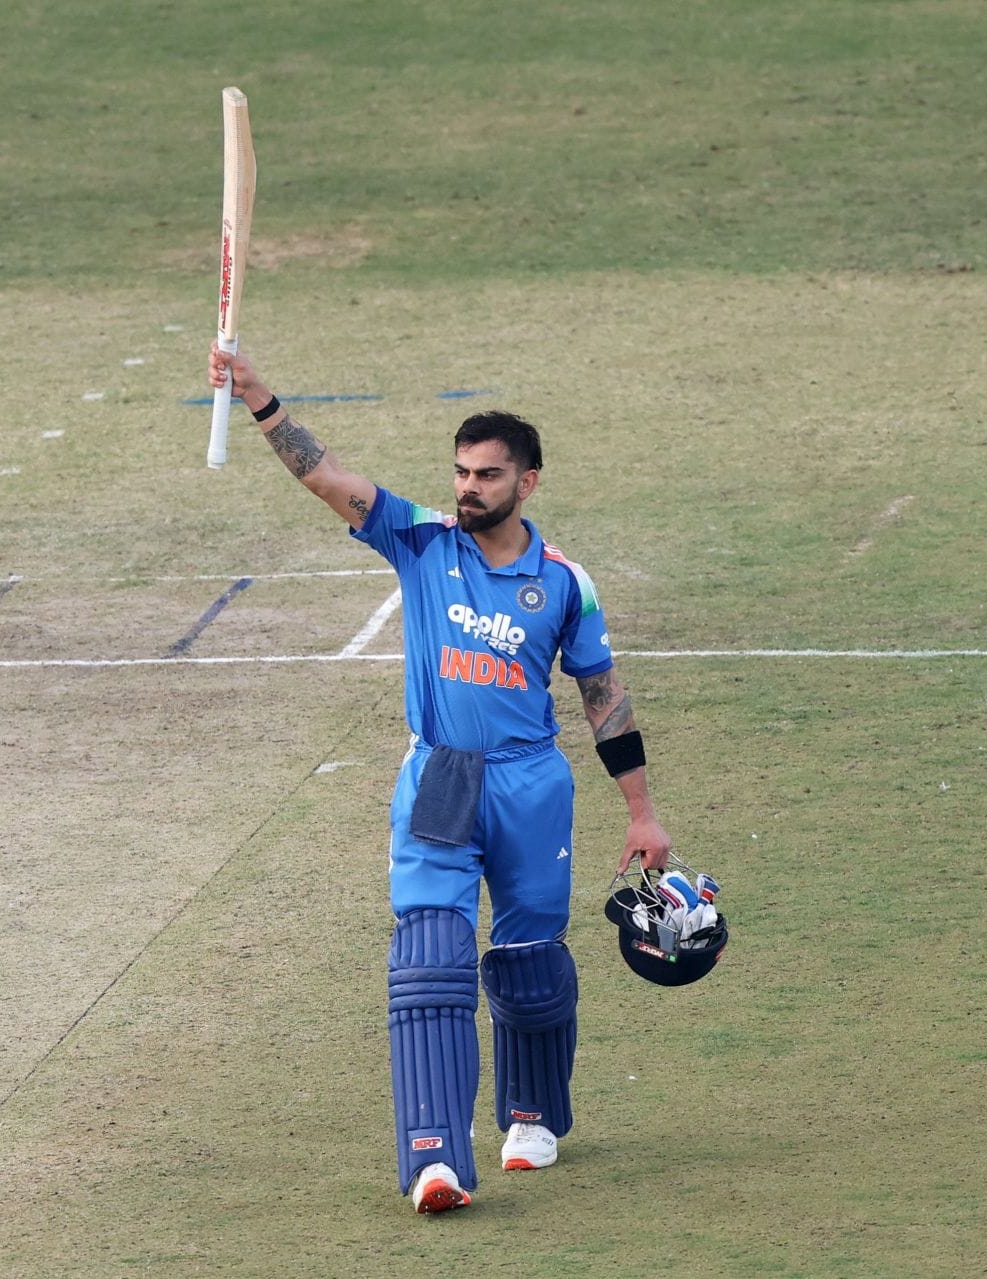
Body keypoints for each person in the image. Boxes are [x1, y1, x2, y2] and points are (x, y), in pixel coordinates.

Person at [208, 345, 673, 1214]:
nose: (468, 487)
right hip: (442, 778)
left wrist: (642, 813)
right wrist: (259, 396)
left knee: (531, 960)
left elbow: (604, 698)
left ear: (528, 482)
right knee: (429, 960)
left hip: (532, 781)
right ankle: (436, 1157)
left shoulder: (566, 584)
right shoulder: (420, 538)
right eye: (460, 470)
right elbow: (326, 476)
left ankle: (531, 1115)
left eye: (487, 475)